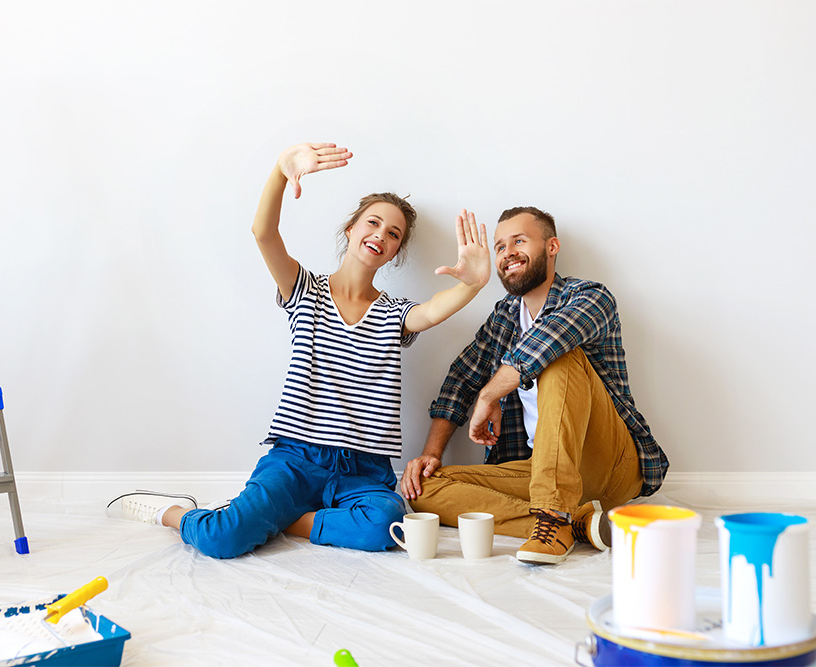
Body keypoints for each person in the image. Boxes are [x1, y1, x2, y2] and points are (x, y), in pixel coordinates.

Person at [107, 142, 491, 558]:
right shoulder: (306, 290)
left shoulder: (395, 314)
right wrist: (279, 171)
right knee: (222, 539)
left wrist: (473, 283)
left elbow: (433, 312)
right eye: (373, 223)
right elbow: (264, 234)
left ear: (396, 251)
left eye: (393, 234)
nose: (380, 235)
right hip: (295, 459)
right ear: (351, 229)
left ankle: (282, 519)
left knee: (387, 525)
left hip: (364, 470)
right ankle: (176, 514)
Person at [400, 206, 668, 565]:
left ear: (551, 246)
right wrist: (431, 453)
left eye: (519, 241)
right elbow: (460, 379)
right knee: (422, 490)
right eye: (499, 247)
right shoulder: (504, 318)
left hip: (609, 464)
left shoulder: (590, 296)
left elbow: (550, 339)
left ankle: (555, 516)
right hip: (541, 469)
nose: (507, 252)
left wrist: (490, 392)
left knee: (558, 358)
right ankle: (575, 522)